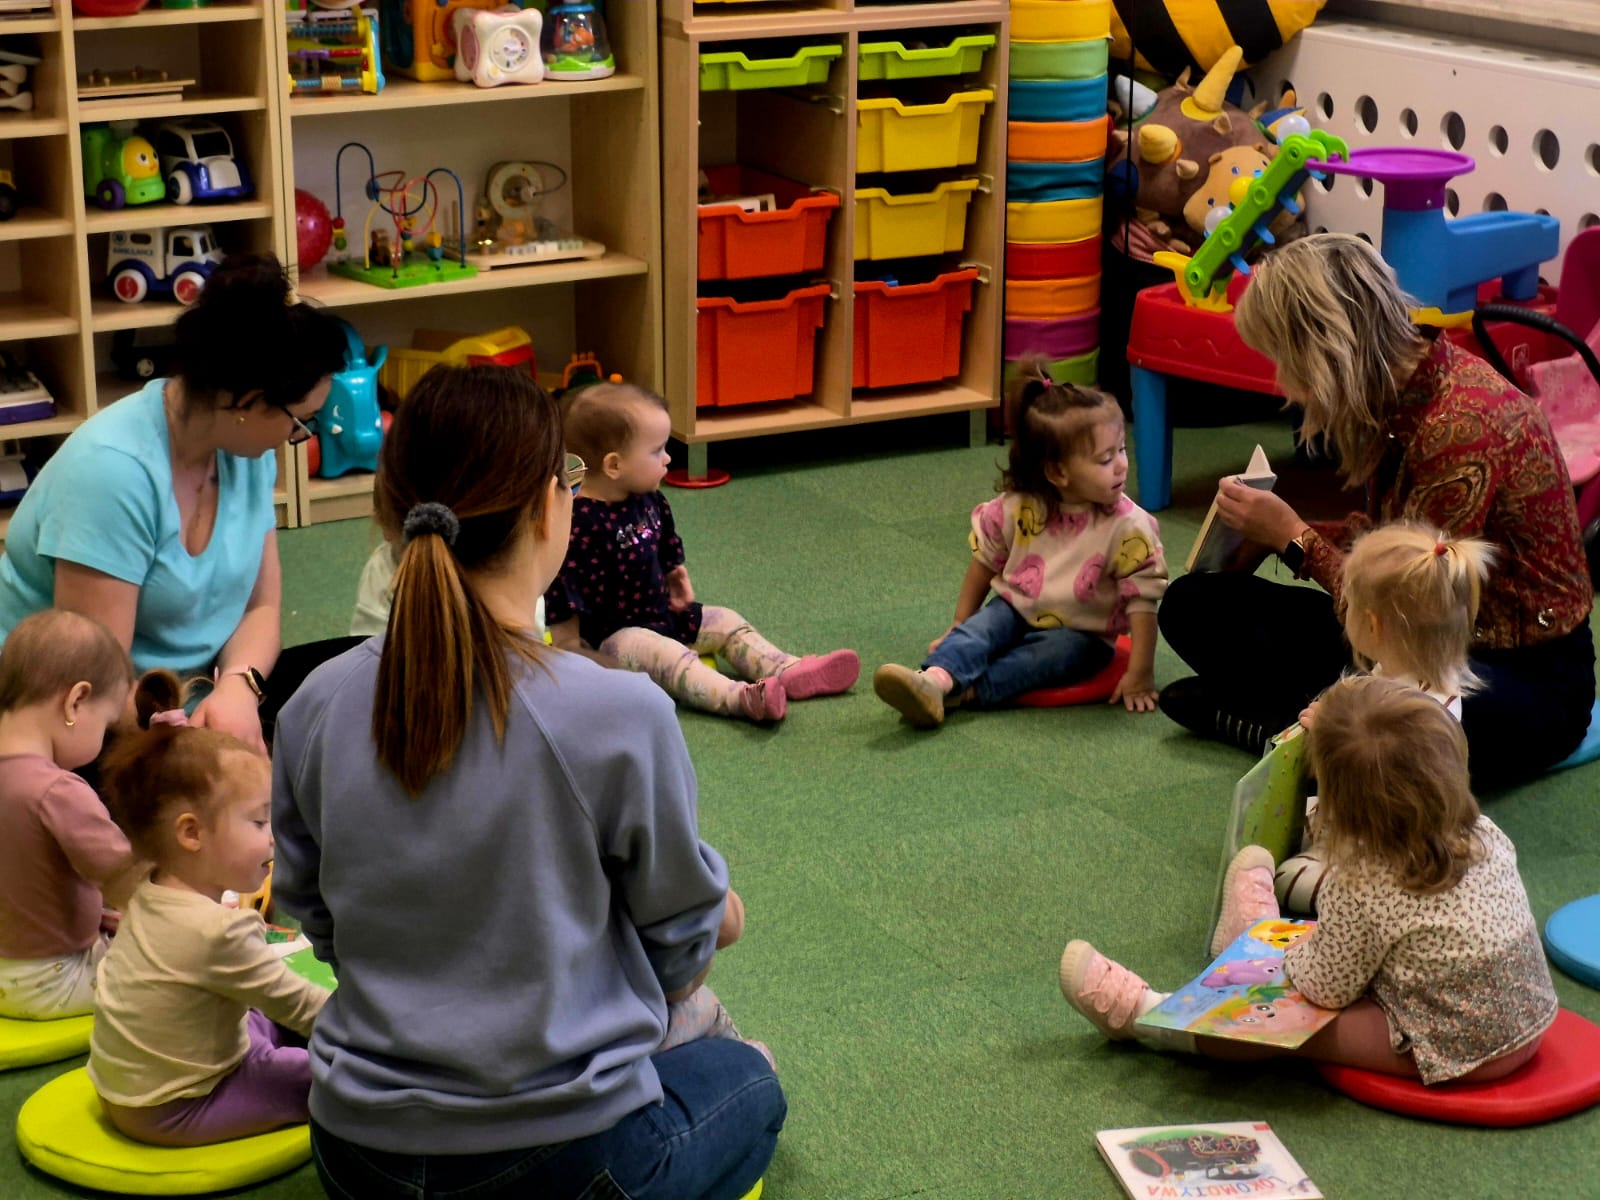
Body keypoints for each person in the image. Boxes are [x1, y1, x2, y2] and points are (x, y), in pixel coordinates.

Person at [270, 365, 785, 1200]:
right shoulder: (619, 710)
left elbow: (313, 912)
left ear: (390, 514)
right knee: (752, 1079)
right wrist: (714, 916)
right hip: (564, 1168)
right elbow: (683, 945)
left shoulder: (313, 704)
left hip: (357, 1159)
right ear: (551, 504)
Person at [1157, 234, 1594, 784]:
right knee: (1192, 604)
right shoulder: (1404, 382)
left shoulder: (1460, 428)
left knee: (1394, 726)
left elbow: (1409, 615)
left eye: (1283, 358)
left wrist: (1295, 539)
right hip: (1424, 641)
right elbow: (1388, 543)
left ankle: (1290, 732)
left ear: (1321, 348)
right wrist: (1273, 533)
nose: (1281, 379)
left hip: (1518, 671)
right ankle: (1303, 727)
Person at [1060, 675, 1557, 1086]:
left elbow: (1325, 988)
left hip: (1462, 1049)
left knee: (1281, 1021)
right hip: (1527, 1017)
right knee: (1344, 943)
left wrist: (1280, 962)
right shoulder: (1484, 832)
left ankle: (1147, 1016)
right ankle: (1252, 933)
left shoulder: (1361, 882)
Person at [0, 254, 347, 754]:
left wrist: (240, 686)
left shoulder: (244, 451)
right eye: (300, 421)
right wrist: (208, 748)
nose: (299, 436)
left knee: (357, 680)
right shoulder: (111, 473)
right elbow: (98, 689)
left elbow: (261, 606)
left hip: (190, 696)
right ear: (248, 403)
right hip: (74, 717)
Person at [88, 699, 329, 1147]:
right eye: (258, 821)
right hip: (178, 1105)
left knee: (257, 1018)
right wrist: (377, 1034)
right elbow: (301, 1006)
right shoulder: (217, 932)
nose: (273, 836)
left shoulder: (149, 887)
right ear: (192, 833)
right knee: (339, 1079)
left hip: (127, 1089)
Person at [546, 380, 859, 724]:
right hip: (615, 639)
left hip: (662, 614)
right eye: (656, 451)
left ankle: (787, 669)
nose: (668, 458)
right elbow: (563, 581)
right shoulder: (579, 523)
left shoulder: (648, 496)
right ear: (614, 466)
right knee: (668, 655)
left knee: (727, 621)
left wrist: (674, 571)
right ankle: (738, 697)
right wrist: (569, 644)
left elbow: (664, 536)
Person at [874, 368, 1167, 728]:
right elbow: (984, 563)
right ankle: (935, 680)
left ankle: (961, 693)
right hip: (1016, 608)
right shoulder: (1017, 506)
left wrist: (1140, 673)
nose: (1121, 465)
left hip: (1084, 634)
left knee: (1045, 658)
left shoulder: (1129, 526)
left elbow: (1143, 604)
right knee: (982, 629)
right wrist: (959, 624)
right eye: (1105, 459)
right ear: (1057, 473)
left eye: (1121, 449)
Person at [1275, 524, 1494, 913]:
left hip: (1389, 842)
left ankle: (1360, 901)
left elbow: (1369, 788)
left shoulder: (1413, 713)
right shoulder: (1410, 676)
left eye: (1348, 604)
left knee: (1287, 879)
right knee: (1287, 830)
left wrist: (1331, 732)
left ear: (1373, 625)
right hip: (1379, 824)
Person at [0, 611, 141, 1019]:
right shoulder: (57, 791)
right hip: (48, 980)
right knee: (174, 975)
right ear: (76, 701)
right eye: (106, 725)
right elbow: (130, 880)